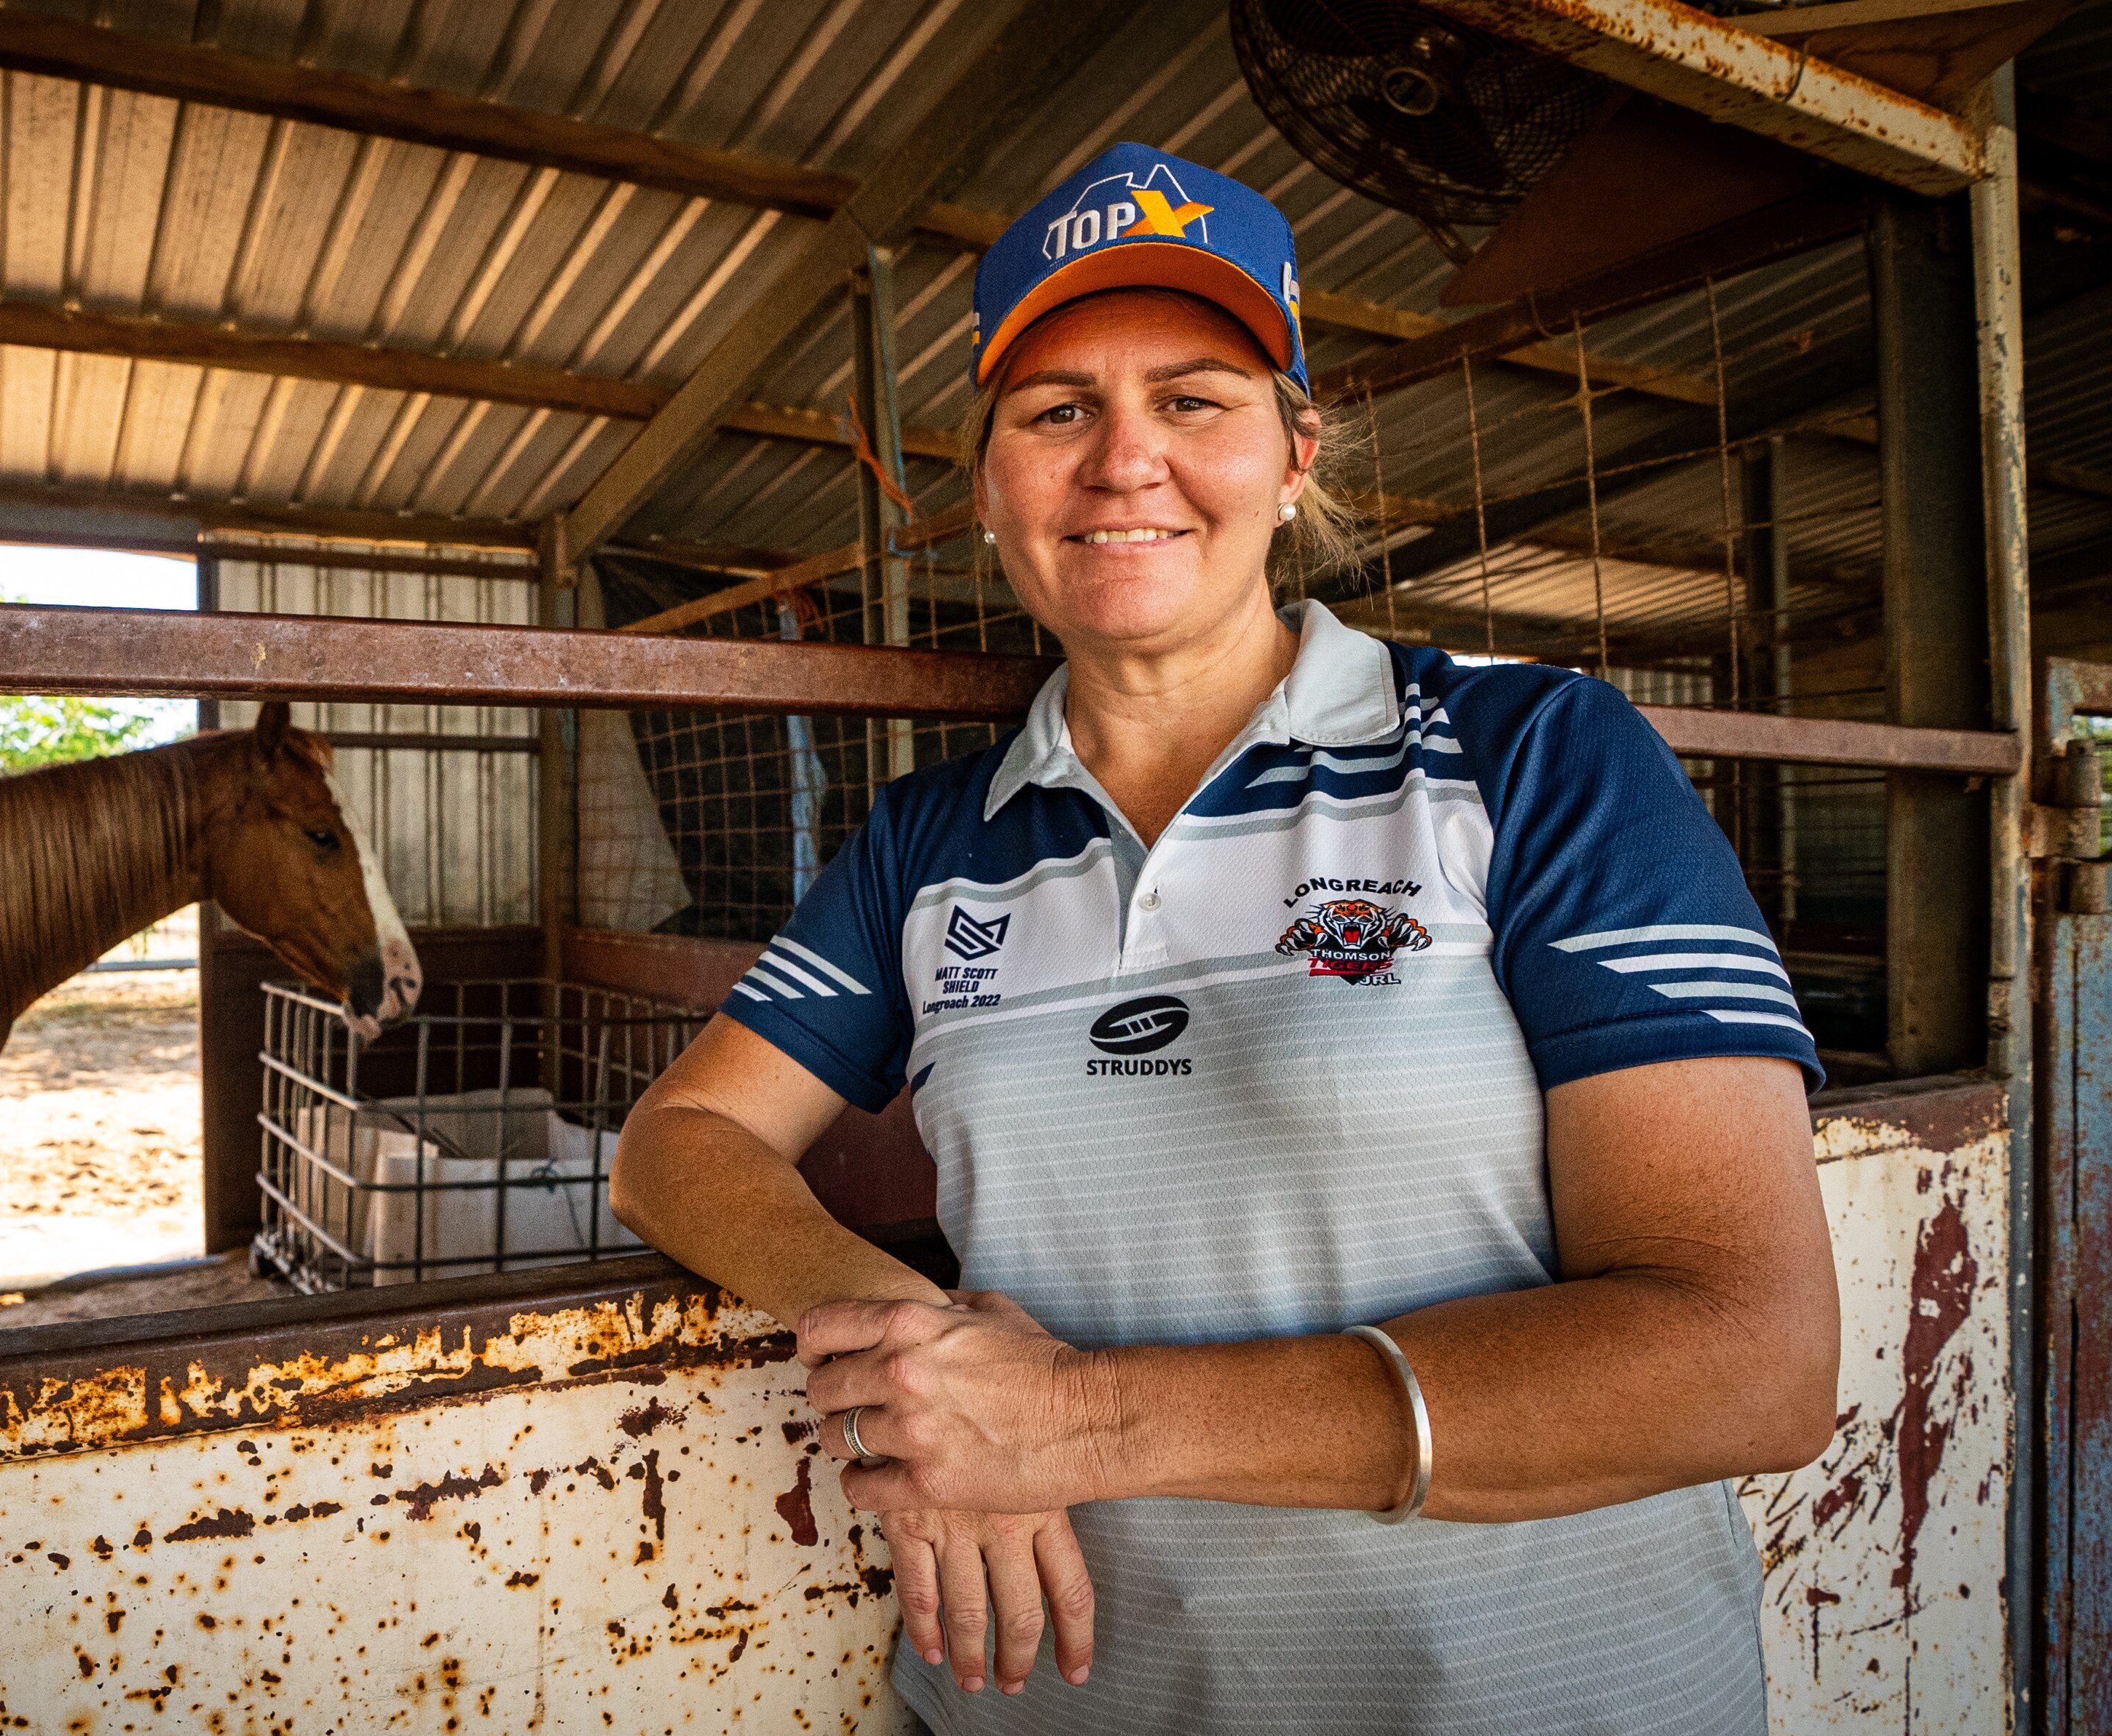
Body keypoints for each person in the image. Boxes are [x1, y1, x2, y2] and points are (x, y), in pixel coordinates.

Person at [605, 142, 1840, 1735]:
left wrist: (1073, 1425)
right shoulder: (931, 840)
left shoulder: (1527, 756)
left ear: (1294, 454)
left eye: (1193, 399)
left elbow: (1744, 1358)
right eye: (1055, 411)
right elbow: (679, 1140)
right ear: (987, 485)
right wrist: (924, 1359)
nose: (1124, 461)